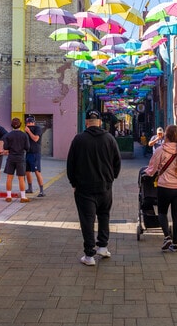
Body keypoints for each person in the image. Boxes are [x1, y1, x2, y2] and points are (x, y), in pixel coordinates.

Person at [66, 109, 121, 266]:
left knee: (87, 220)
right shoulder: (109, 139)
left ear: (86, 123)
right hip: (105, 187)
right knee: (104, 216)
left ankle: (89, 255)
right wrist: (111, 178)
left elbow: (70, 164)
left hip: (84, 188)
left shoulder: (78, 140)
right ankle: (102, 246)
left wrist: (73, 183)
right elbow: (117, 161)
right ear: (100, 123)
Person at [144, 125, 177, 253]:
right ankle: (175, 244)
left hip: (165, 187)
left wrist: (147, 173)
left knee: (162, 212)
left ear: (166, 136)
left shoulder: (161, 150)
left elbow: (151, 169)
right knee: (176, 215)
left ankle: (167, 236)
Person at [3, 117, 30, 203]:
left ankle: (8, 196)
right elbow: (27, 147)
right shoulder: (24, 135)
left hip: (11, 157)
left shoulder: (8, 135)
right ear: (20, 125)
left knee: (9, 177)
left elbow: (5, 147)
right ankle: (23, 197)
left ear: (12, 125)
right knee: (21, 178)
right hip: (20, 158)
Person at [24, 116, 45, 197]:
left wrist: (29, 131)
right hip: (28, 152)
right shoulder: (26, 130)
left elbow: (35, 138)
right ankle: (30, 188)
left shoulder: (37, 128)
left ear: (34, 122)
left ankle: (41, 190)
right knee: (27, 171)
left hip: (35, 153)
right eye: (28, 123)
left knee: (37, 171)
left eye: (31, 123)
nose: (29, 124)